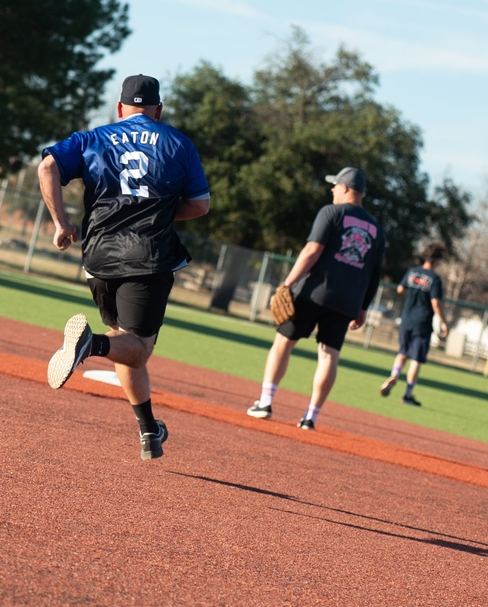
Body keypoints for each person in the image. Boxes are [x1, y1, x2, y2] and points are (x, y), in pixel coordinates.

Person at [38, 74, 210, 460]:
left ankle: (149, 429)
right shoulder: (178, 143)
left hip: (97, 255)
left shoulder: (94, 137)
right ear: (158, 110)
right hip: (147, 256)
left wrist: (62, 224)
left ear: (120, 108)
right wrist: (161, 214)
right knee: (137, 349)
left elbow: (47, 167)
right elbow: (200, 205)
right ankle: (90, 345)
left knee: (124, 339)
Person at [246, 167, 384, 430]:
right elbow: (375, 273)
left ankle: (265, 402)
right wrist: (363, 307)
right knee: (329, 355)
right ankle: (311, 417)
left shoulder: (331, 212)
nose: (332, 189)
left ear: (344, 188)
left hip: (313, 293)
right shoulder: (376, 229)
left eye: (335, 185)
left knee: (283, 343)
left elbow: (312, 250)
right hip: (347, 301)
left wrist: (287, 283)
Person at [379, 242, 449, 406]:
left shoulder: (412, 272)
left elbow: (400, 289)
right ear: (438, 260)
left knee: (403, 352)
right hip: (422, 322)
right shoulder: (434, 279)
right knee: (416, 359)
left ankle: (394, 374)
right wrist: (444, 322)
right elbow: (436, 303)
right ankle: (408, 395)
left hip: (406, 319)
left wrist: (414, 290)